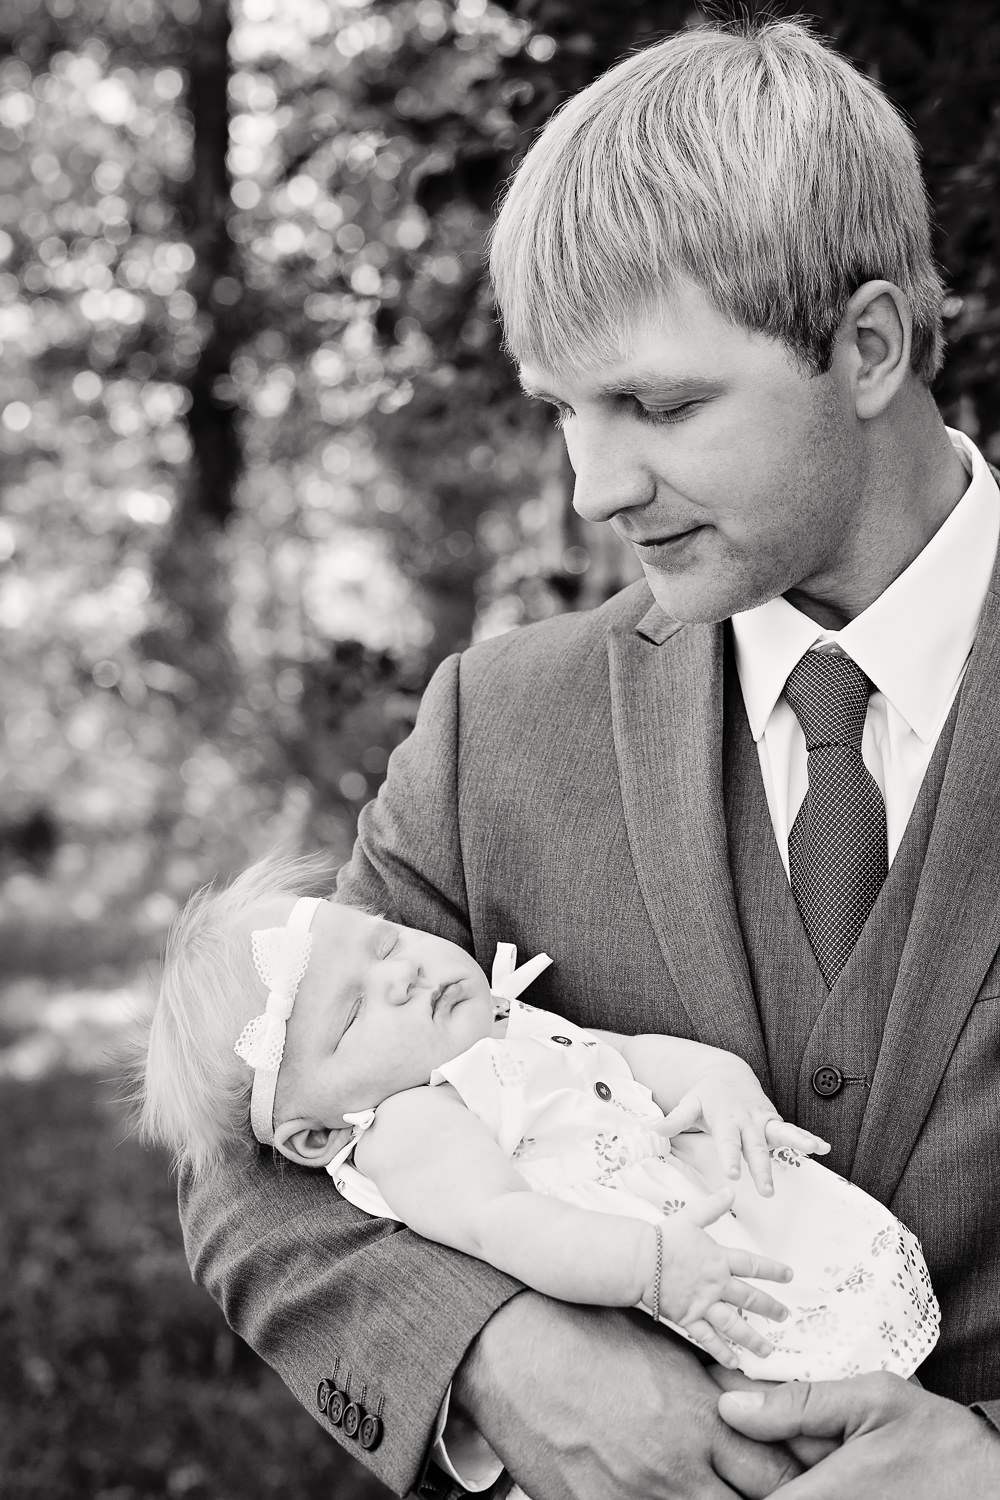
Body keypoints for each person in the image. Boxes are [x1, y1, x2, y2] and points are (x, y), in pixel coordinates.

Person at [178, 16, 1000, 1500]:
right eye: (563, 408)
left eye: (660, 406)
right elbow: (248, 1159)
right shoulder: (497, 727)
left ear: (869, 347)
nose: (594, 486)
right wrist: (494, 1351)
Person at [139, 855, 939, 1403]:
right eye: (353, 1012)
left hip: (709, 1233)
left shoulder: (493, 1020)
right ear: (316, 1136)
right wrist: (651, 1266)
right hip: (650, 1300)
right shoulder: (409, 1124)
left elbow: (625, 1055)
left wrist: (716, 1081)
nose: (402, 972)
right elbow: (506, 1224)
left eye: (385, 941)